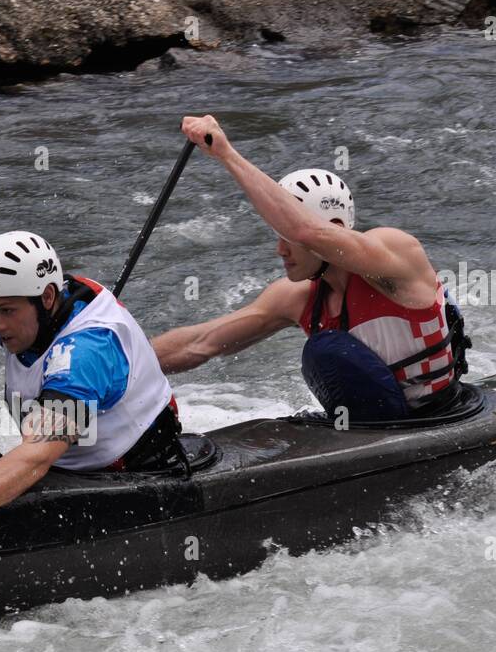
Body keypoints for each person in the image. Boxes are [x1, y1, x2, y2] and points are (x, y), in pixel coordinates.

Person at [0, 212, 187, 547]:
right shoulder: (29, 302)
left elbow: (36, 456)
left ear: (47, 297)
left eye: (6, 312)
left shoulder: (85, 354)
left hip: (143, 484)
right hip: (72, 473)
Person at [152, 115, 470, 422]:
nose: (280, 249)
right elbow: (199, 344)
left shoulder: (396, 255)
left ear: (333, 228)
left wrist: (225, 153)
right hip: (372, 427)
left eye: (286, 238)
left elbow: (307, 232)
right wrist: (117, 361)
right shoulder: (297, 297)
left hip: (444, 417)